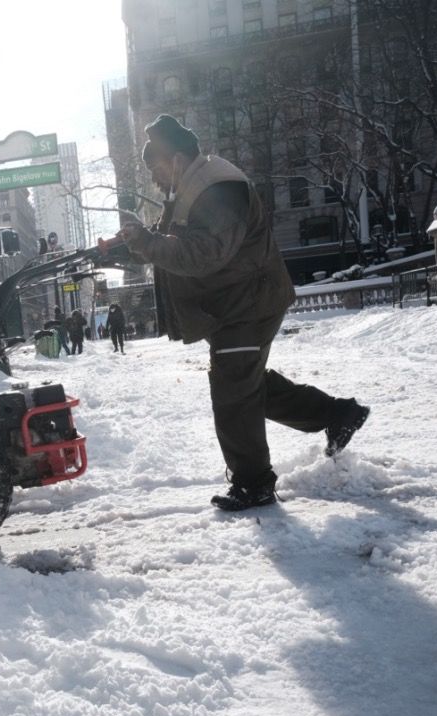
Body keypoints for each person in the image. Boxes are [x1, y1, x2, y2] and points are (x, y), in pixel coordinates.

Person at [102, 113, 370, 511]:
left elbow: (204, 253)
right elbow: (172, 243)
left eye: (155, 168)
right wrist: (134, 243)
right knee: (246, 387)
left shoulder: (217, 188)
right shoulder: (191, 187)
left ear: (175, 160)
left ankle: (254, 483)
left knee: (232, 392)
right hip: (235, 304)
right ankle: (338, 414)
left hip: (248, 304)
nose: (154, 179)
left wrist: (147, 241)